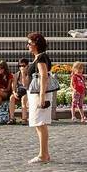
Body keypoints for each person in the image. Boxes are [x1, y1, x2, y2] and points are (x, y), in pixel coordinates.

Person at [26, 32, 54, 164]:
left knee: (40, 123)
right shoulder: (38, 57)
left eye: (30, 43)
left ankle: (43, 154)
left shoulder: (41, 58)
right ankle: (44, 153)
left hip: (39, 94)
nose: (28, 46)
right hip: (35, 94)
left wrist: (42, 96)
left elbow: (43, 76)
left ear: (36, 44)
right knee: (38, 123)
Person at [8, 57, 30, 124]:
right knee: (12, 97)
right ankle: (12, 118)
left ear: (27, 66)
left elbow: (25, 84)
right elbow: (13, 87)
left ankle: (24, 119)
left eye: (23, 66)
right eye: (19, 66)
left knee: (23, 99)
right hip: (20, 92)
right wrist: (14, 93)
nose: (21, 67)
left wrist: (23, 74)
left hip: (28, 92)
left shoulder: (29, 74)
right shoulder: (16, 75)